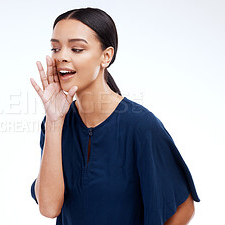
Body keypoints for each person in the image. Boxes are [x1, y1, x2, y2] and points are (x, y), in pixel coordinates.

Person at [29, 7, 200, 225]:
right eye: (55, 48)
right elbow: (49, 207)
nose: (62, 56)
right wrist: (54, 121)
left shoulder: (141, 126)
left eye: (77, 49)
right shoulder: (56, 123)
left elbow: (183, 208)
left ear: (106, 56)